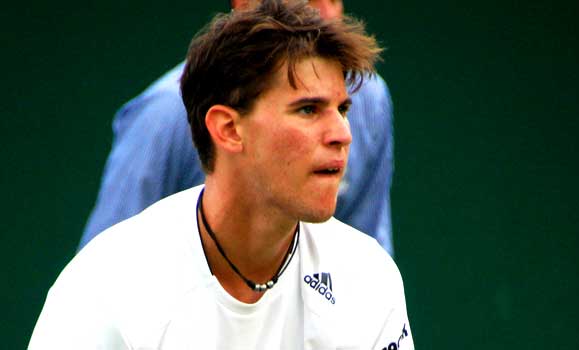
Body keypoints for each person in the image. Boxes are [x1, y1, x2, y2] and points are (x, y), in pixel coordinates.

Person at [29, 1, 413, 348]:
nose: (343, 135)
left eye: (343, 109)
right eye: (308, 110)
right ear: (228, 129)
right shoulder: (105, 287)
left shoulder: (369, 279)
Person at [79, 0, 395, 256]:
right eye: (308, 110)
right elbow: (102, 278)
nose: (325, 13)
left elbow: (363, 264)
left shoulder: (368, 97)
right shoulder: (162, 116)